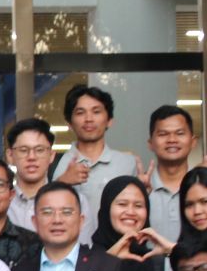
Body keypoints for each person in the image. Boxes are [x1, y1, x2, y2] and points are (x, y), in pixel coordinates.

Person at [49, 85, 145, 235]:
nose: (89, 119)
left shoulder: (128, 163)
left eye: (96, 111)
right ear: (69, 123)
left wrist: (146, 193)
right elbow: (39, 209)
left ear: (109, 120)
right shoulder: (53, 164)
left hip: (117, 247)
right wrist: (62, 182)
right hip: (69, 248)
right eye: (80, 112)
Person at [145, 105, 199, 242]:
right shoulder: (139, 190)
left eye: (180, 133)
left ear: (193, 142)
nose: (172, 140)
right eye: (163, 134)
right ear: (150, 143)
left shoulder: (204, 187)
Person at [2, 118, 56, 235]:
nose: (31, 157)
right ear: (10, 156)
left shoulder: (75, 202)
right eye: (23, 150)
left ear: (51, 156)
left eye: (39, 150)